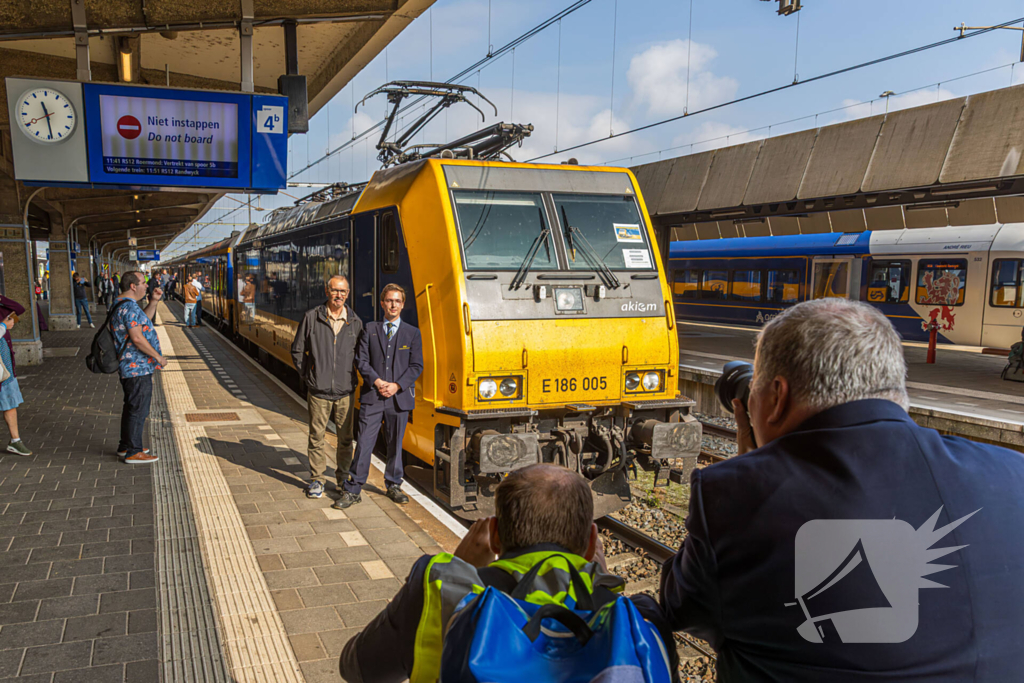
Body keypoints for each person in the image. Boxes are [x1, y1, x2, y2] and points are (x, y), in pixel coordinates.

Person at [659, 298, 1024, 682]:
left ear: (777, 397)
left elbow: (679, 607)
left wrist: (755, 473)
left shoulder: (734, 495)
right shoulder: (1013, 473)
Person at [339, 463, 676, 683]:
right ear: (591, 544)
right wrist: (601, 588)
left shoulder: (439, 585)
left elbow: (357, 669)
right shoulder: (642, 620)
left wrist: (461, 571)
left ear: (495, 536)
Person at [335, 284, 423, 509]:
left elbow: (416, 366)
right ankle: (354, 488)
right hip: (372, 397)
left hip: (398, 399)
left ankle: (393, 484)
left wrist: (397, 386)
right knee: (364, 443)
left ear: (402, 305)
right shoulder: (370, 329)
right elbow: (361, 361)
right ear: (382, 303)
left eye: (397, 301)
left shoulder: (412, 333)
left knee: (395, 445)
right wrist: (377, 381)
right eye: (389, 300)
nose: (393, 305)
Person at [290, 275, 363, 500]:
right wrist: (310, 376)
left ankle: (342, 479)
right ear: (326, 291)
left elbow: (361, 357)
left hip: (345, 393)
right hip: (318, 392)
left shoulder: (355, 322)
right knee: (316, 437)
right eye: (334, 290)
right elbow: (297, 350)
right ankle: (318, 479)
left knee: (345, 439)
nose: (338, 295)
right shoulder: (312, 318)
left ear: (347, 294)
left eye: (342, 291)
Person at [109, 271, 165, 464]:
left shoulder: (123, 304)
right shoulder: (129, 308)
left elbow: (143, 323)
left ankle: (125, 446)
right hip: (137, 367)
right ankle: (134, 451)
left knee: (131, 406)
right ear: (133, 286)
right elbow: (137, 338)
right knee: (138, 409)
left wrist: (154, 301)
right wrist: (158, 356)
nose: (146, 286)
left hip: (131, 367)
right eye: (143, 283)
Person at [0, 296, 29, 457]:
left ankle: (15, 440)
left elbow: (19, 309)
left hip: (4, 369)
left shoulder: (1, 309)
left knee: (10, 402)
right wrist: (3, 325)